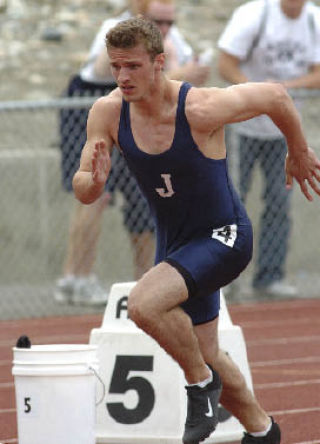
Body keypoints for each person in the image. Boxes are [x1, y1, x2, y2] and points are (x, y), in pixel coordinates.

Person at [72, 17, 320, 443]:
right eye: (116, 67)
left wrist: (298, 150)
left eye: (132, 66)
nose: (122, 77)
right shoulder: (108, 112)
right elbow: (82, 188)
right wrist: (93, 181)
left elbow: (275, 95)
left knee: (144, 306)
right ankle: (263, 430)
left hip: (224, 237)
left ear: (159, 62)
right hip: (178, 246)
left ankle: (200, 387)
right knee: (207, 352)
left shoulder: (199, 107)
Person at [55, 0, 210, 305]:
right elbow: (110, 72)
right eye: (157, 22)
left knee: (146, 198)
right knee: (96, 194)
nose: (164, 29)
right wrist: (180, 70)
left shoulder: (170, 41)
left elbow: (172, 80)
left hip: (137, 116)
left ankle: (148, 279)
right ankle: (76, 277)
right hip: (91, 110)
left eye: (170, 23)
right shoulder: (117, 31)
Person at [217, 0, 320, 298]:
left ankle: (270, 276)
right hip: (241, 127)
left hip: (283, 131)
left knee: (280, 200)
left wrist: (281, 91)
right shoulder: (254, 15)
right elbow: (225, 63)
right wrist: (256, 95)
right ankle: (222, 274)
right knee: (228, 202)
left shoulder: (313, 21)